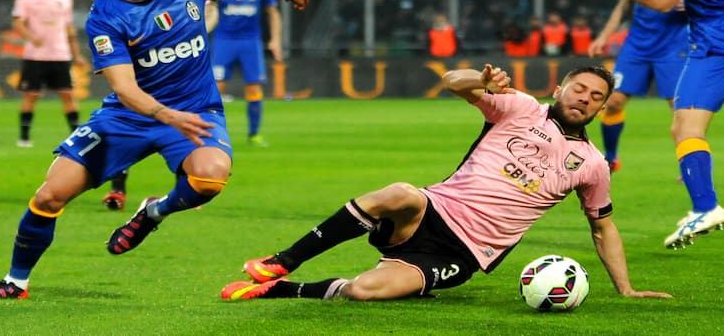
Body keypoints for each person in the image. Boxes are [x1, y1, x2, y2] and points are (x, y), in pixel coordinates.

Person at [0, 0, 309, 301]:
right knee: (51, 195)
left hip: (196, 110)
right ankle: (15, 283)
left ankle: (152, 213)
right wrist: (166, 114)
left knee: (210, 179)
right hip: (128, 117)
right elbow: (124, 88)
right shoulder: (106, 15)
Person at [220, 64, 671, 302]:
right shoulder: (520, 107)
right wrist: (482, 79)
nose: (585, 99)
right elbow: (452, 81)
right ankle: (282, 262)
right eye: (579, 89)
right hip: (431, 212)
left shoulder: (591, 164)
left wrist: (626, 288)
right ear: (560, 89)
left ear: (602, 108)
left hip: (466, 253)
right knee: (400, 192)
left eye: (596, 96)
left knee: (364, 291)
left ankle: (280, 289)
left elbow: (602, 227)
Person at [604, 0, 724, 249]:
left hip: (713, 47)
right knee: (678, 123)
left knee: (685, 127)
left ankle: (706, 206)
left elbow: (663, 2)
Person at [102, 0, 220, 211]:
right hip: (145, 62)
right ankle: (117, 188)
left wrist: (190, 35)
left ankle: (191, 184)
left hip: (186, 60)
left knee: (192, 128)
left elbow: (213, 7)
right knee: (128, 110)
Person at [589, 0, 688, 173]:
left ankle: (687, 165)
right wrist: (603, 37)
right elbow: (624, 7)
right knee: (613, 102)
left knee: (681, 111)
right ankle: (611, 159)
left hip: (673, 47)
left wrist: (689, 5)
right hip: (637, 47)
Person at [211, 0, 283, 147]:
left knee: (253, 87)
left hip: (251, 42)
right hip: (223, 41)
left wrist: (275, 39)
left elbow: (273, 13)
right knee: (215, 88)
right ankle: (212, 134)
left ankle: (254, 134)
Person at [13, 0, 87, 148]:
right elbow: (18, 22)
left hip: (60, 55)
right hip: (35, 56)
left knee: (68, 94)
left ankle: (76, 138)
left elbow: (69, 29)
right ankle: (24, 137)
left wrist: (77, 55)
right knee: (31, 95)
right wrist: (30, 36)